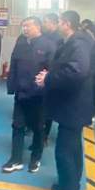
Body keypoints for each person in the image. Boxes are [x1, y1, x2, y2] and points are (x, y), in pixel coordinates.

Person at [36, 10, 91, 190]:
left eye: (58, 21)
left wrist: (49, 78)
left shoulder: (79, 44)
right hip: (71, 105)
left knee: (64, 153)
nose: (57, 24)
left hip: (73, 106)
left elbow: (77, 71)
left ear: (66, 23)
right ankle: (72, 186)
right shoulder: (68, 42)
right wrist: (49, 75)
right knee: (73, 147)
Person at [2, 17, 57, 173]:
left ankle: (35, 158)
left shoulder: (48, 45)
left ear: (38, 27)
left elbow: (52, 70)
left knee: (38, 127)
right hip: (21, 93)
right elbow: (14, 65)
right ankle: (15, 159)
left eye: (28, 26)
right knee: (17, 125)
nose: (24, 29)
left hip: (39, 95)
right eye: (23, 26)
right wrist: (11, 87)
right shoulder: (20, 44)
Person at [41, 13, 64, 142]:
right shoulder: (43, 36)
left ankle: (44, 135)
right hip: (41, 73)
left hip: (52, 75)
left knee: (48, 107)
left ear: (53, 23)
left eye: (46, 21)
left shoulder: (59, 39)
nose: (44, 24)